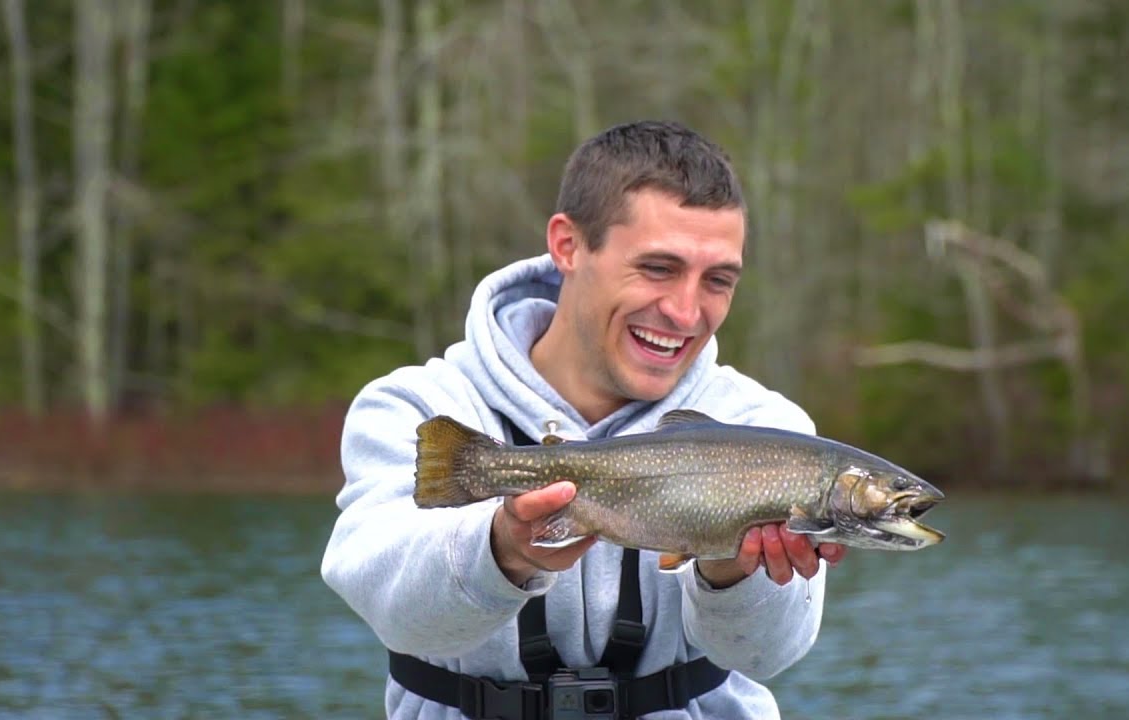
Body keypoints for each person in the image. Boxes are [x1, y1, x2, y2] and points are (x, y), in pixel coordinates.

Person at [321, 120, 846, 719]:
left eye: (718, 280)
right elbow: (388, 606)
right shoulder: (419, 407)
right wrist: (501, 549)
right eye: (658, 268)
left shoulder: (764, 430)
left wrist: (730, 570)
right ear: (568, 246)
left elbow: (768, 656)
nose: (684, 311)